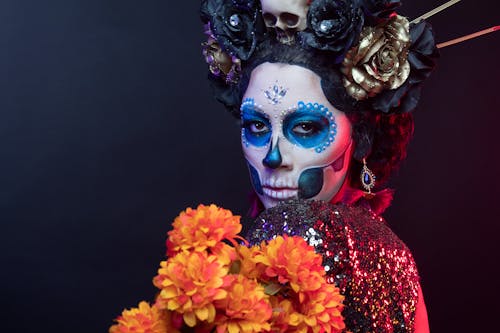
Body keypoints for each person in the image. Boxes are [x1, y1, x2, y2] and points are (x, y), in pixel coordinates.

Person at [200, 0, 439, 332]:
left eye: (306, 128)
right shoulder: (394, 258)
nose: (272, 156)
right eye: (256, 126)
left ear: (363, 136)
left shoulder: (362, 255)